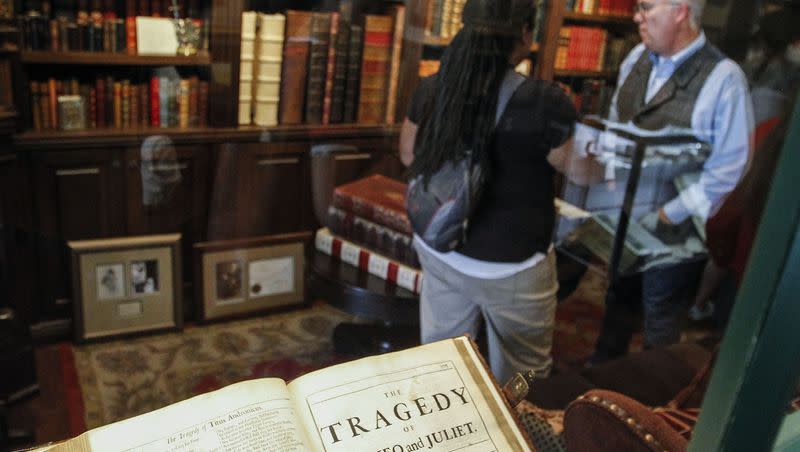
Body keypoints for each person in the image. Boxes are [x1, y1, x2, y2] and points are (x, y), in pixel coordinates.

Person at [400, 0, 599, 382]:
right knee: (522, 379)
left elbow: (409, 153)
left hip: (441, 248)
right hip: (513, 267)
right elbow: (583, 172)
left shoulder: (432, 88)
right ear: (525, 33)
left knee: (442, 362)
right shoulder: (544, 102)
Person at [589, 0, 754, 363]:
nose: (636, 17)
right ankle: (599, 387)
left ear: (681, 11)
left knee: (660, 326)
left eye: (647, 8)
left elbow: (730, 167)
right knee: (617, 304)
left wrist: (670, 214)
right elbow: (618, 124)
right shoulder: (636, 57)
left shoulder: (724, 78)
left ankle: (652, 407)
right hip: (624, 216)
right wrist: (612, 180)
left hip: (675, 232)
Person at [687, 6, 800, 323]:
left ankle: (697, 301)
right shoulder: (780, 89)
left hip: (734, 164)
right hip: (750, 168)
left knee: (723, 240)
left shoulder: (741, 71)